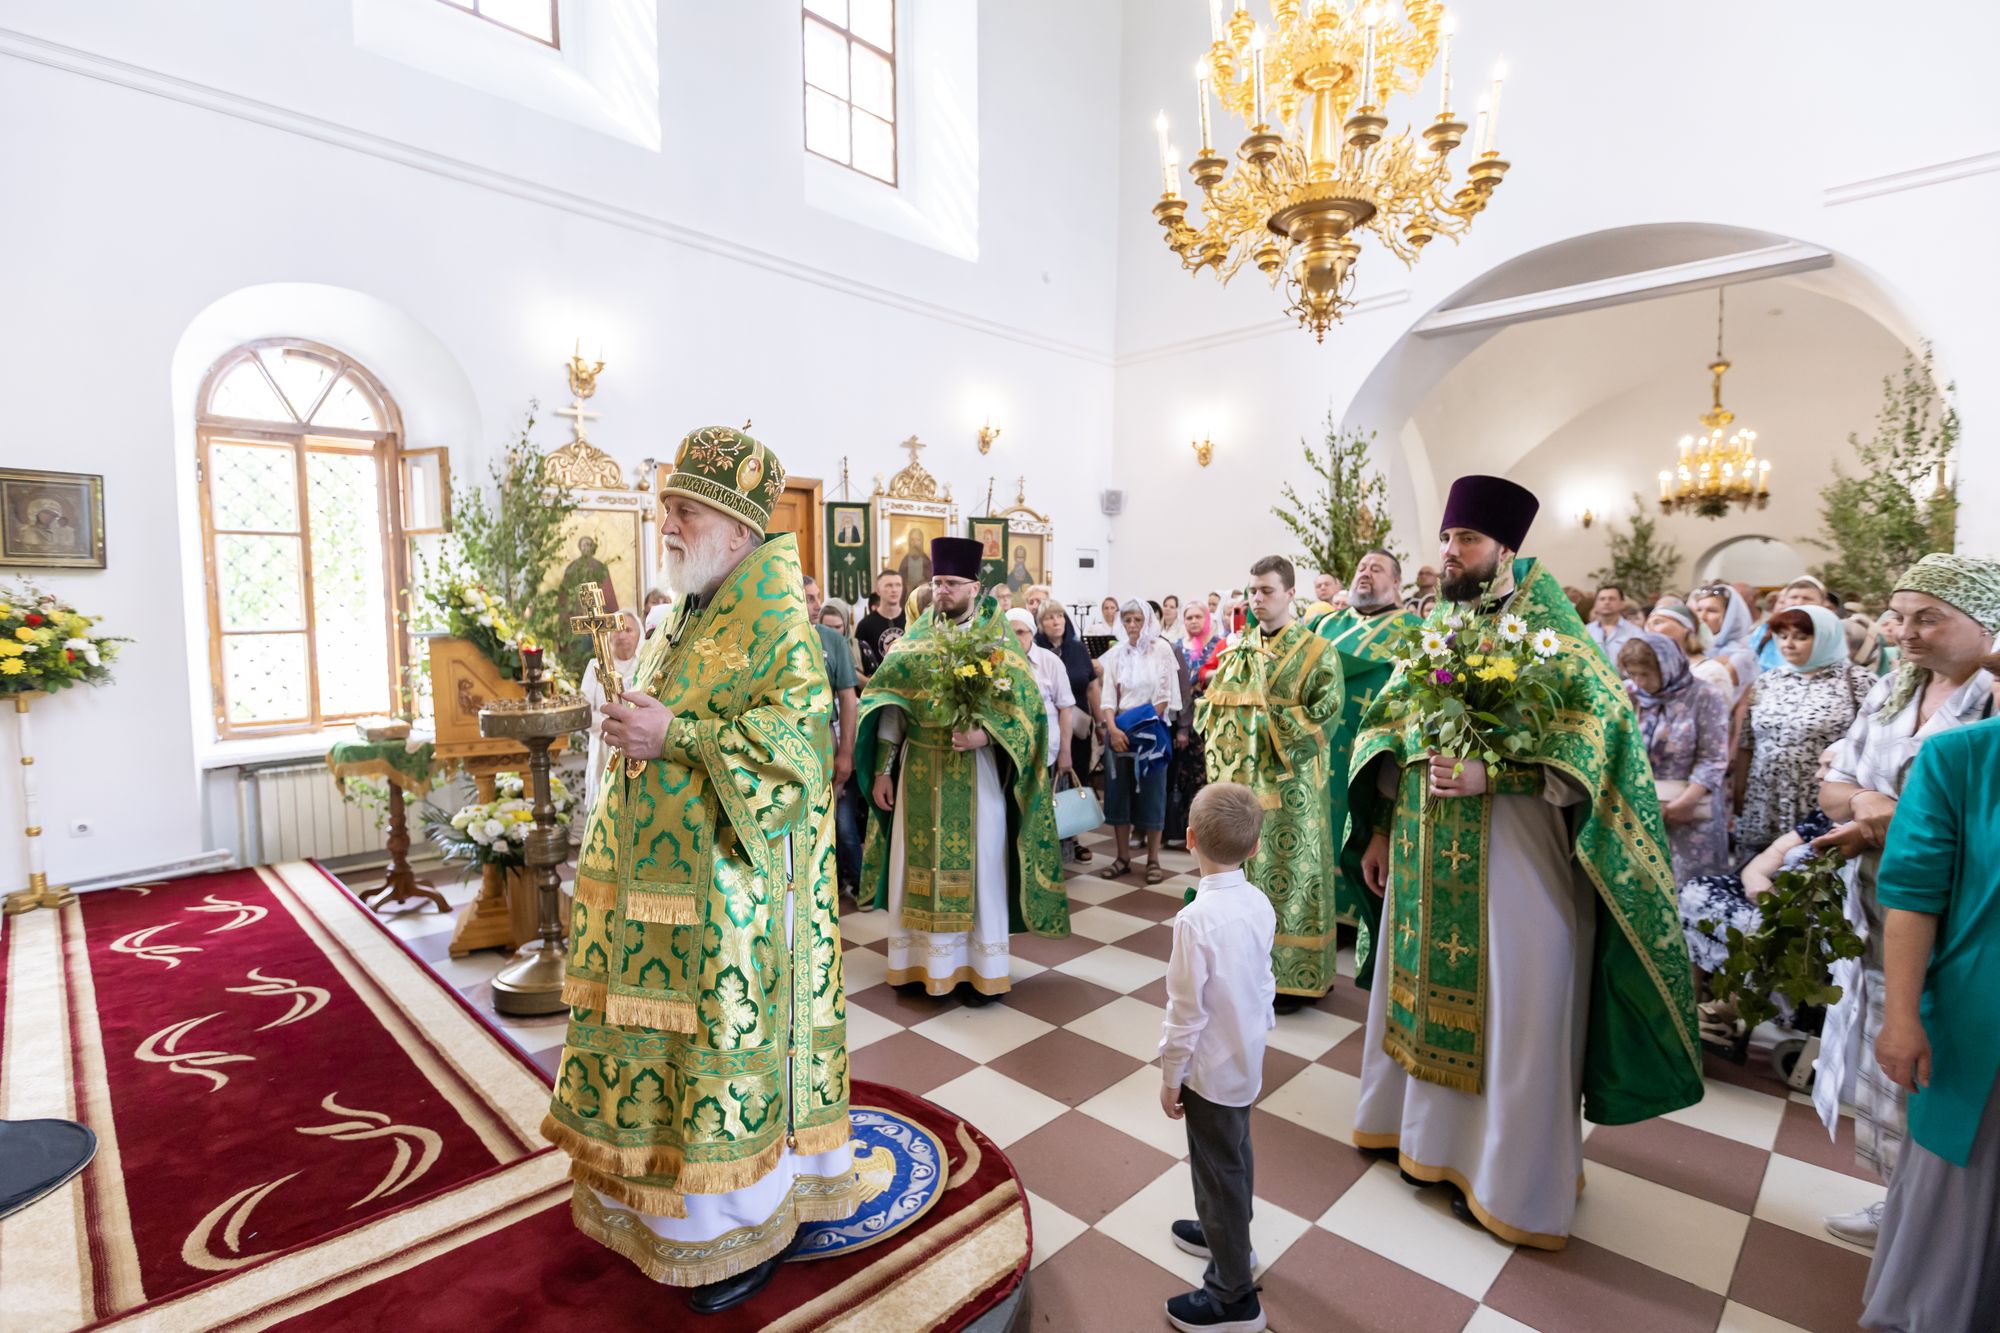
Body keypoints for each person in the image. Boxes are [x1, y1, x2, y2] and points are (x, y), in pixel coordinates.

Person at [549, 425, 856, 1311]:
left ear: (737, 526)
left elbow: (797, 755)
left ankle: (739, 1224)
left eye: (685, 510)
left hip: (733, 899)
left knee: (716, 1050)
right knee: (662, 1053)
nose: (669, 524)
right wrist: (632, 721)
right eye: (668, 509)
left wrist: (673, 734)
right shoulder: (688, 610)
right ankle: (649, 1193)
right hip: (655, 890)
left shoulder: (777, 623)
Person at [1351, 475, 1702, 1249]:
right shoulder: (1437, 624)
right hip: (1421, 848)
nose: (1451, 551)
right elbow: (1389, 725)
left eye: (1467, 539)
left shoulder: (1557, 636)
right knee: (1418, 991)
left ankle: (1506, 1178)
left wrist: (1497, 775)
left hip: (1516, 859)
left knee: (1518, 1013)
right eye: (1447, 538)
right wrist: (1377, 824)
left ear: (1506, 548)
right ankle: (1420, 1140)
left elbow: (1602, 751)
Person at [1811, 554, 1999, 1248]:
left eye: (1930, 618)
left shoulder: (1991, 701)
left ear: (1985, 623)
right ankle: (1898, 1198)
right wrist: (1867, 804)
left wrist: (1889, 819)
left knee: (1938, 1061)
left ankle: (1939, 1223)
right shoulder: (1894, 689)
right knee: (1883, 1050)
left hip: (1954, 921)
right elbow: (1834, 785)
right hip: (1876, 908)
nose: (1907, 632)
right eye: (1900, 616)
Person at [855, 538, 1069, 1005]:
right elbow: (891, 707)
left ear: (974, 587)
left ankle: (979, 972)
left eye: (951, 583)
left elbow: (1027, 712)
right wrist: (883, 770)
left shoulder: (997, 642)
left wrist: (985, 736)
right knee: (915, 865)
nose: (942, 591)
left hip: (976, 773)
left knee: (982, 867)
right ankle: (918, 967)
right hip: (918, 769)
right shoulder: (915, 639)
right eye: (937, 583)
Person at [1861, 683, 2000, 1331]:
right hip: (1981, 1014)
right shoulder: (1964, 758)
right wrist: (1901, 1017)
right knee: (1963, 1194)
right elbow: (1913, 895)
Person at [1196, 556, 1344, 1008]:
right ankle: (1246, 972)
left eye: (1267, 591)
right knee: (1244, 879)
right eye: (1253, 591)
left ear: (1290, 594)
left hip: (1292, 791)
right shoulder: (1237, 648)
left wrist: (1264, 724)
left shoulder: (1318, 651)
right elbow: (1215, 706)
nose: (1257, 600)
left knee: (1292, 878)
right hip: (1242, 791)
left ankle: (1296, 979)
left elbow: (1325, 716)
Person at [1158, 783, 1275, 1333]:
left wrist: (1170, 1075)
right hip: (1245, 1058)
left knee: (1217, 1170)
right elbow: (1264, 980)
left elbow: (1185, 1013)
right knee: (1234, 1155)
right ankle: (1231, 1238)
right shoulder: (1259, 902)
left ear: (1189, 839)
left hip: (1208, 1071)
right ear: (1255, 848)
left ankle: (1233, 1296)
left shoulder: (1195, 921)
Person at [1313, 548, 1420, 945]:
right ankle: (1314, 907)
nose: (1365, 573)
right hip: (1318, 748)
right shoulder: (1328, 624)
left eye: (1376, 569)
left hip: (1373, 754)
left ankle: (1357, 918)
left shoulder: (1414, 631)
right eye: (1361, 567)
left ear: (1396, 582)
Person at [1732, 604, 1875, 855]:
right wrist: (1738, 791)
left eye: (1800, 637)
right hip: (1765, 800)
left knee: (1814, 867)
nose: (1788, 644)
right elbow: (1748, 742)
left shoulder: (1857, 681)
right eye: (1782, 636)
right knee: (1758, 870)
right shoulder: (1769, 680)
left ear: (1826, 638)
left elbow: (1874, 745)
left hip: (1821, 801)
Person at [1618, 633, 1730, 882]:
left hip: (1688, 810)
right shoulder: (1629, 694)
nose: (1639, 681)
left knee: (1688, 886)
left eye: (1646, 674)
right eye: (1632, 674)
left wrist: (1687, 801)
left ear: (1666, 666)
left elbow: (1713, 757)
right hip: (1640, 808)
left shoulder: (1704, 695)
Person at [1097, 599, 1185, 884]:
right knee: (1118, 794)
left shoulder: (1161, 650)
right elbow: (1108, 697)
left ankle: (1153, 858)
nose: (1132, 625)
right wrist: (1113, 729)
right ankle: (1122, 857)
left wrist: (1139, 726)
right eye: (1127, 620)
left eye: (1137, 620)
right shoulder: (1116, 653)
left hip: (1151, 730)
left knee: (1153, 794)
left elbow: (1164, 697)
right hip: (1120, 730)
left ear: (1148, 621)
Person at [805, 575, 862, 897]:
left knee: (828, 820)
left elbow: (848, 698)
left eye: (817, 597)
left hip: (823, 739)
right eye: (808, 598)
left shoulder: (832, 640)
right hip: (785, 741)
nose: (816, 605)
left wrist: (846, 753)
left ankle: (825, 892)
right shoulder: (774, 635)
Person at [1037, 601, 1100, 861]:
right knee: (1050, 785)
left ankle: (1072, 838)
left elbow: (1092, 686)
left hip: (1078, 728)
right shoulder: (1036, 650)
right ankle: (1047, 840)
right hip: (1048, 731)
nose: (1056, 621)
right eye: (1050, 617)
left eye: (1060, 616)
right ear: (1040, 624)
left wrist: (1101, 723)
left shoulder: (1077, 648)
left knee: (1076, 782)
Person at [578, 608, 643, 816]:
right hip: (603, 746)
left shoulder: (646, 665)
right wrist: (612, 727)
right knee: (603, 810)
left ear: (639, 634)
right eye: (617, 630)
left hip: (638, 746)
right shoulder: (596, 666)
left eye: (628, 630)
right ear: (608, 634)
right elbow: (583, 710)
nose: (622, 635)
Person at [1008, 607, 1078, 778]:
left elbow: (1066, 709)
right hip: (1009, 753)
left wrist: (1065, 752)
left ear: (1031, 633)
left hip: (1045, 749)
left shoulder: (1050, 662)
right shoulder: (998, 661)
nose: (1015, 638)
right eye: (1010, 633)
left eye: (1020, 632)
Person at [1690, 582, 1764, 707]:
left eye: (1712, 611)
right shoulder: (1693, 646)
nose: (1702, 617)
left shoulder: (1743, 654)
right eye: (1699, 610)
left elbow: (1706, 690)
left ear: (1730, 616)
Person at [1646, 602, 1738, 699]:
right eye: (1647, 625)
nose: (1649, 629)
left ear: (1686, 628)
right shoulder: (1654, 670)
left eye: (1657, 622)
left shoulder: (1709, 671)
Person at [1751, 575, 1838, 671]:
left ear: (1821, 603)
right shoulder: (1764, 630)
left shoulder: (1832, 632)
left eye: (1807, 598)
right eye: (1794, 597)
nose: (1799, 602)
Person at [856, 568, 907, 675]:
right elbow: (860, 663)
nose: (894, 589)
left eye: (898, 585)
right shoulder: (865, 625)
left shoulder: (912, 620)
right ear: (878, 590)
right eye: (889, 585)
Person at [1584, 583, 1641, 662]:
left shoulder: (1634, 632)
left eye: (1612, 599)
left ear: (1622, 603)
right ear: (1595, 604)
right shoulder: (1586, 631)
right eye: (1602, 599)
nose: (1607, 602)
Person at [895, 525, 933, 591]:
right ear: (909, 542)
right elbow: (900, 578)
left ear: (922, 542)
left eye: (918, 540)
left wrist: (924, 584)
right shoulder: (905, 560)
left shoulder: (926, 561)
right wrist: (906, 585)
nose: (915, 543)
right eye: (912, 540)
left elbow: (930, 579)